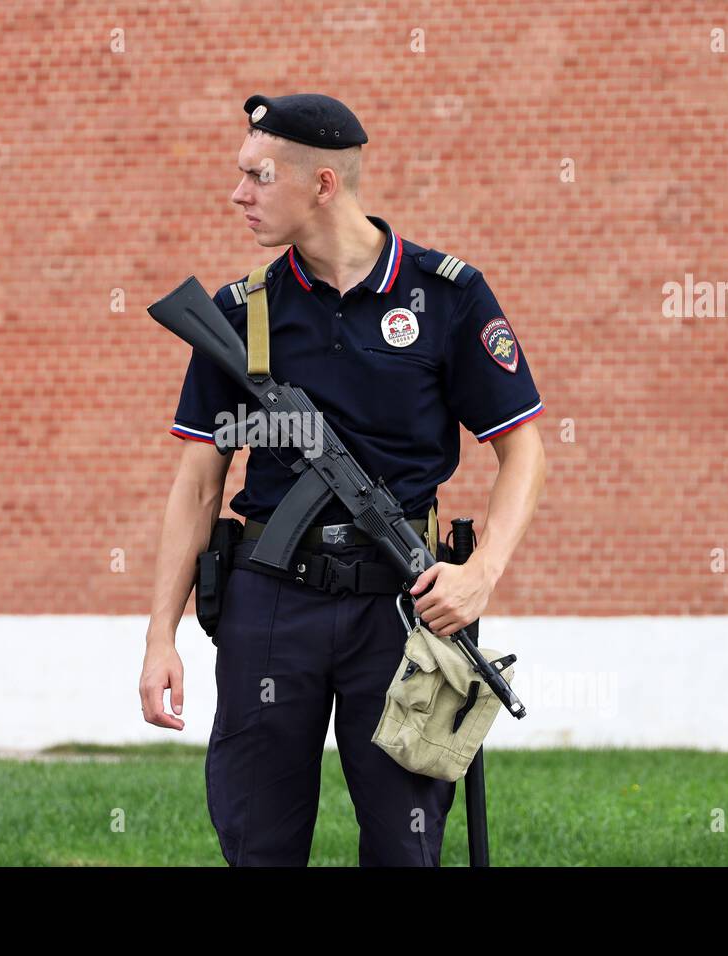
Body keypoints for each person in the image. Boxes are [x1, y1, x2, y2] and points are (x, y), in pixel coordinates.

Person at [140, 92, 547, 866]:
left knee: (405, 844)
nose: (239, 195)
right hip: (267, 603)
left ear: (323, 185)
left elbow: (523, 449)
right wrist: (161, 634)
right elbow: (197, 484)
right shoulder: (238, 312)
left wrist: (481, 576)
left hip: (401, 609)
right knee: (257, 841)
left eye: (259, 177)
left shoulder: (447, 295)